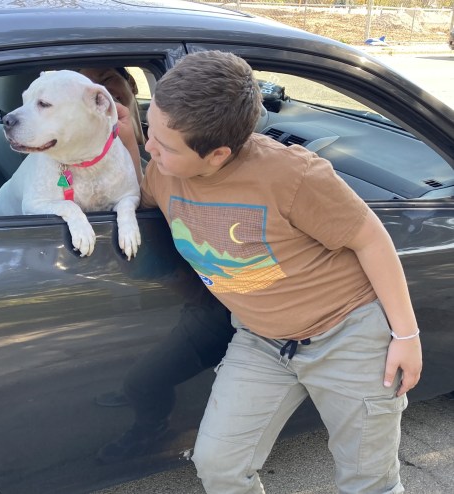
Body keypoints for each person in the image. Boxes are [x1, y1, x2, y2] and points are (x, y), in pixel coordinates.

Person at [140, 50, 422, 493]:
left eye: (163, 144)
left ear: (217, 155)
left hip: (347, 336)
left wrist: (406, 337)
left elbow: (370, 238)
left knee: (368, 481)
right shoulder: (160, 172)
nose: (149, 148)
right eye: (147, 129)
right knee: (218, 466)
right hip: (262, 341)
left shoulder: (293, 175)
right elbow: (111, 194)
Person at [80, 66, 237, 464]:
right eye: (86, 83)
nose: (100, 90)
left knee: (141, 380)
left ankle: (150, 426)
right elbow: (139, 192)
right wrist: (131, 140)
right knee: (140, 378)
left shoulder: (191, 153)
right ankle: (148, 403)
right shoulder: (165, 165)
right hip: (203, 302)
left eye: (107, 78)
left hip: (222, 305)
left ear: (132, 86)